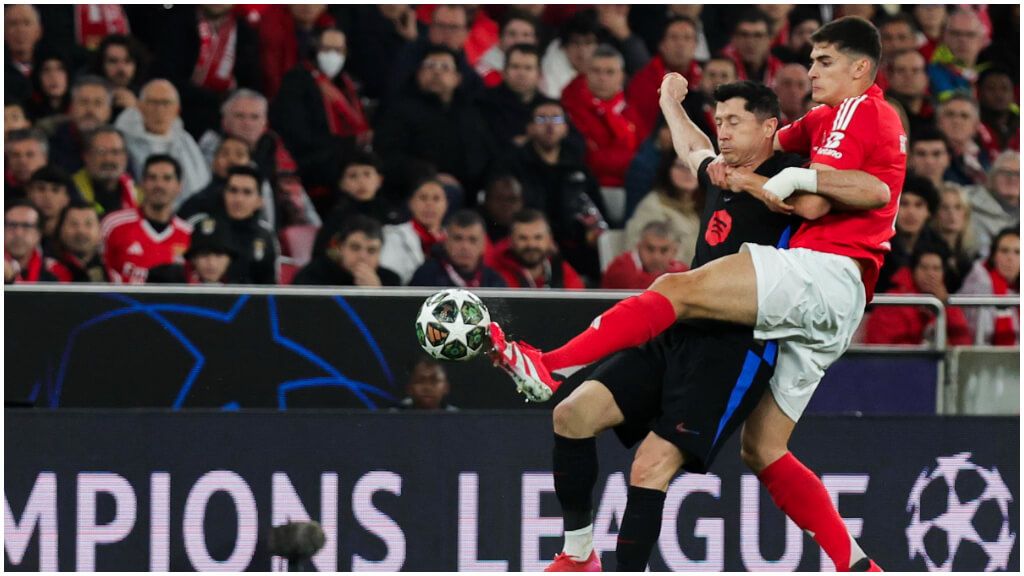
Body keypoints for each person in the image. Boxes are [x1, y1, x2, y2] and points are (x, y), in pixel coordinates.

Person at [491, 18, 900, 572]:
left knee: (673, 290)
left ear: (858, 67)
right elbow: (701, 151)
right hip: (817, 305)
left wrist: (785, 181)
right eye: (720, 122)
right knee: (764, 450)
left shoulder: (858, 113)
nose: (810, 72)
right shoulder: (811, 128)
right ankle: (859, 565)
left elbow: (853, 193)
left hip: (816, 282)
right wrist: (671, 105)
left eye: (822, 61)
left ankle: (551, 364)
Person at [374, 45, 497, 201]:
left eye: (445, 67)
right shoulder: (399, 111)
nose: (437, 72)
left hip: (470, 194)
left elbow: (486, 154)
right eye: (430, 66)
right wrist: (430, 176)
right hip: (415, 192)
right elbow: (388, 157)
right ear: (418, 74)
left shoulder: (470, 113)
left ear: (457, 78)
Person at [271, 26, 371, 198]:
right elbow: (295, 130)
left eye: (339, 50)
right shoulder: (297, 80)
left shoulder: (348, 84)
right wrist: (343, 146)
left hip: (344, 157)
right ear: (315, 49)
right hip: (311, 160)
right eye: (327, 49)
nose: (333, 55)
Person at [199, 88, 319, 229]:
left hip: (275, 235)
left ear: (264, 123)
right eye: (240, 116)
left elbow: (301, 203)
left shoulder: (275, 151)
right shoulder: (210, 151)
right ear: (225, 120)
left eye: (254, 117)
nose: (247, 123)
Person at [152, 4, 262, 138]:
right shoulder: (176, 22)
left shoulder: (244, 30)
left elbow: (251, 79)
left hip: (226, 115)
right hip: (182, 110)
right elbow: (166, 75)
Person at [115, 79, 211, 202]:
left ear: (177, 110)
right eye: (153, 103)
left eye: (166, 103)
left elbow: (199, 184)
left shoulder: (185, 141)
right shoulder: (122, 138)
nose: (159, 110)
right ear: (140, 107)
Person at [102, 154, 192, 284]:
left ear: (179, 186)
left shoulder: (189, 234)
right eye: (152, 178)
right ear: (142, 184)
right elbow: (100, 269)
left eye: (167, 178)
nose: (159, 185)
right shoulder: (114, 224)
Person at [560, 44, 640, 189]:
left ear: (621, 76)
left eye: (610, 72)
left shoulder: (633, 109)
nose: (602, 78)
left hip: (629, 186)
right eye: (596, 71)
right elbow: (584, 159)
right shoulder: (568, 107)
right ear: (586, 74)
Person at [865, 247, 973, 346]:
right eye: (924, 268)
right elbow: (886, 346)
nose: (930, 274)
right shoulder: (893, 302)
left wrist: (946, 308)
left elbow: (964, 344)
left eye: (936, 268)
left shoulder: (948, 303)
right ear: (913, 271)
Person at [626, 16, 702, 140]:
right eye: (674, 37)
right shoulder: (643, 81)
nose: (680, 44)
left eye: (687, 38)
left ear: (695, 46)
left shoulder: (704, 77)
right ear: (662, 45)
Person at [624, 152, 702, 265]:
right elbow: (636, 252)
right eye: (680, 166)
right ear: (667, 170)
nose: (688, 172)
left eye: (693, 167)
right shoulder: (652, 205)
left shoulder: (699, 207)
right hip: (668, 278)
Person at [209, 165, 279, 285]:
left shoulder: (266, 235)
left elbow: (271, 285)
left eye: (247, 192)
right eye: (233, 190)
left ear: (259, 201)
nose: (238, 199)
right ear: (223, 194)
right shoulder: (204, 229)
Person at [292, 214, 401, 287]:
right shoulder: (314, 275)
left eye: (371, 250)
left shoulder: (391, 281)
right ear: (340, 248)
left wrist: (379, 295)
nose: (362, 256)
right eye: (355, 247)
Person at [486, 209, 584, 289]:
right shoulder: (494, 272)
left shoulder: (563, 272)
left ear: (549, 240)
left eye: (538, 237)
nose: (531, 245)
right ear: (510, 241)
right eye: (523, 238)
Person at [409, 209, 506, 288]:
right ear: (446, 241)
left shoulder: (495, 282)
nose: (465, 246)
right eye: (458, 239)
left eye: (473, 240)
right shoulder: (425, 276)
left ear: (483, 245)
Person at [379, 179, 448, 286]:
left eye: (436, 199)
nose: (429, 204)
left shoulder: (454, 238)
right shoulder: (393, 235)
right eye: (423, 198)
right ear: (411, 203)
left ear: (446, 204)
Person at [958, 227, 1020, 346]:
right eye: (1004, 251)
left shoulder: (1016, 288)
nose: (1010, 258)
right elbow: (980, 335)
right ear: (993, 256)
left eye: (1018, 252)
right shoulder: (979, 281)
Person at [477, 43, 545, 149]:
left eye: (528, 68)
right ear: (504, 72)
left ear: (539, 75)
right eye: (515, 67)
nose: (521, 73)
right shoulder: (483, 103)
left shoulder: (550, 107)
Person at [48, 75, 113, 174]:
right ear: (72, 108)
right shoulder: (52, 145)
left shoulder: (117, 145)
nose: (90, 110)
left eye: (98, 103)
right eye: (84, 102)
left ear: (109, 112)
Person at [148, 216, 239, 284]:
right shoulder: (166, 279)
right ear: (192, 258)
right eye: (204, 255)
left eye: (218, 255)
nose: (211, 263)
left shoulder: (243, 285)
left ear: (229, 259)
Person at [72, 125, 140, 216]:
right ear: (86, 156)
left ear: (125, 157)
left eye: (115, 152)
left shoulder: (138, 196)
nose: (108, 159)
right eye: (101, 152)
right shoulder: (71, 190)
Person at [602, 221, 689, 290]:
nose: (656, 257)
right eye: (650, 249)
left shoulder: (680, 269)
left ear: (674, 251)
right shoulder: (621, 267)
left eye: (664, 250)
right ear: (638, 246)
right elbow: (646, 293)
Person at [927, 9, 989, 102]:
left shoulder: (993, 75)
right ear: (944, 37)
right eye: (955, 33)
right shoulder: (929, 73)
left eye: (970, 34)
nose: (962, 40)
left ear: (982, 40)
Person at [966, 150, 1019, 254]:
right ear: (992, 177)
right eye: (1005, 172)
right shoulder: (967, 205)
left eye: (1019, 173)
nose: (1012, 178)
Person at [932, 183, 979, 293]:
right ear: (935, 213)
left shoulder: (973, 256)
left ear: (966, 213)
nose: (951, 213)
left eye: (958, 207)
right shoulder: (925, 251)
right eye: (944, 207)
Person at [936, 93, 990, 187]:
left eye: (964, 116)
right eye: (950, 115)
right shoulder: (930, 154)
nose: (957, 121)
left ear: (976, 126)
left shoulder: (984, 157)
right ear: (938, 122)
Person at [719, 9, 784, 85]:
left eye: (758, 35)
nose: (750, 42)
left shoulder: (779, 70)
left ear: (771, 39)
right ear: (734, 39)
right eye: (744, 35)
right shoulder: (720, 67)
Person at [48, 200, 108, 282]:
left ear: (100, 231)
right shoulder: (47, 268)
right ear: (60, 229)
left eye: (88, 224)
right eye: (74, 224)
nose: (81, 231)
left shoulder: (112, 267)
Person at [4, 200, 63, 284]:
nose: (18, 233)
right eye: (12, 225)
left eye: (26, 226)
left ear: (39, 234)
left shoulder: (53, 276)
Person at [474, 10, 538, 88]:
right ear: (500, 38)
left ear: (536, 41)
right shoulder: (484, 73)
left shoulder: (540, 69)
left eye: (526, 35)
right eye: (512, 34)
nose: (519, 40)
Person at [25, 164, 79, 254]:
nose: (47, 197)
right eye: (41, 189)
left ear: (67, 198)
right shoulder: (17, 233)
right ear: (29, 194)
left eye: (55, 190)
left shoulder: (76, 236)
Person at [93, 34, 147, 118]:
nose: (121, 68)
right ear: (102, 64)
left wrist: (136, 108)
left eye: (128, 61)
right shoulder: (87, 92)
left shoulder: (146, 95)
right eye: (113, 61)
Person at [885, 49, 935, 137]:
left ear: (926, 78)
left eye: (915, 71)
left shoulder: (935, 112)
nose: (908, 76)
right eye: (901, 70)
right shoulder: (880, 111)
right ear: (890, 77)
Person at [5, 5, 43, 103]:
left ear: (38, 31)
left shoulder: (51, 67)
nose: (20, 30)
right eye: (13, 24)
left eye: (27, 23)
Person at [977, 67, 1019, 153]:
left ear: (1013, 95)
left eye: (1005, 88)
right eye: (991, 88)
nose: (999, 95)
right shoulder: (973, 127)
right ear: (980, 93)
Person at [393, 356, 457, 411]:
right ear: (409, 387)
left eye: (434, 381)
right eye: (420, 381)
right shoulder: (392, 418)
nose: (427, 387)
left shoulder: (459, 419)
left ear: (446, 387)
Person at [5, 128, 48, 202]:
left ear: (45, 158)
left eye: (30, 155)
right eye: (15, 155)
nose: (22, 161)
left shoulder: (62, 184)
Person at [479, 174, 524, 243]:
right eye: (499, 199)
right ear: (487, 201)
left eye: (512, 199)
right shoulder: (476, 230)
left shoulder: (530, 231)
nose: (506, 205)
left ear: (522, 202)